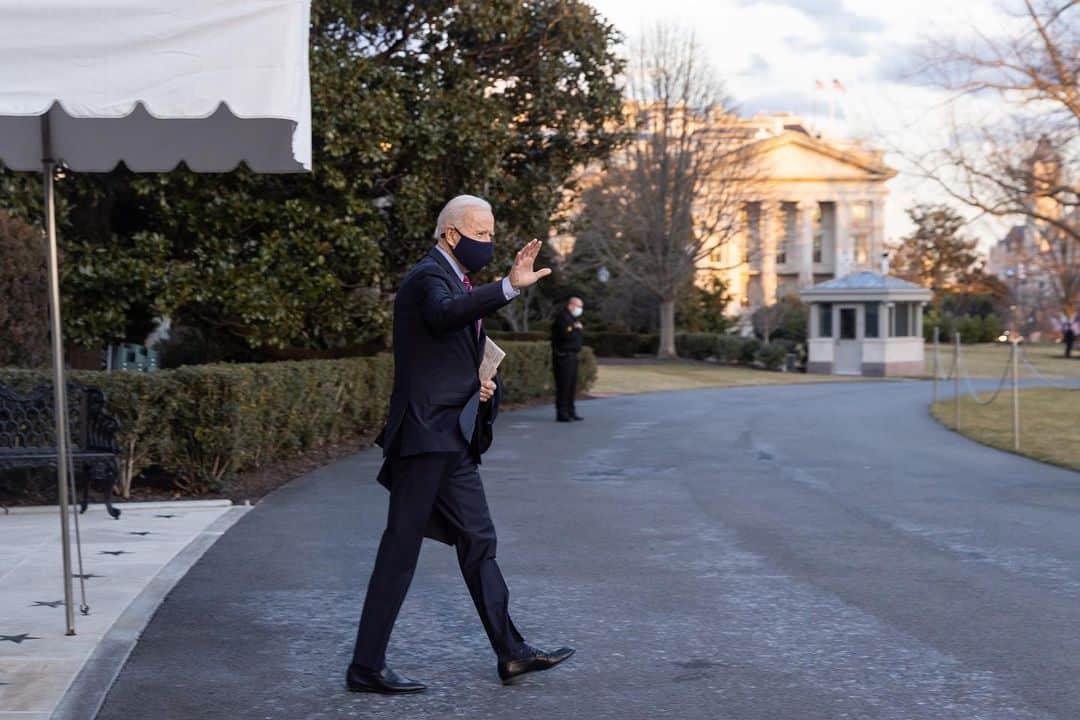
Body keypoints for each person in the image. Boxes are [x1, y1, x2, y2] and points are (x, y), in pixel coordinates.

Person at [347, 195, 575, 694]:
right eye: (480, 233)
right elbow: (445, 315)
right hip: (425, 436)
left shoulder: (457, 279)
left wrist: (481, 385)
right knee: (400, 550)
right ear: (451, 234)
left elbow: (450, 348)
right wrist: (509, 287)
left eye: (493, 233)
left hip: (452, 437)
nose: (489, 242)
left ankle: (511, 652)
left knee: (479, 540)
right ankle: (366, 665)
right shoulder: (428, 277)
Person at [551, 297, 584, 422]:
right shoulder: (563, 317)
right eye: (579, 306)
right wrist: (576, 328)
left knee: (571, 386)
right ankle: (562, 413)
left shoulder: (572, 318)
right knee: (563, 386)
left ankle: (571, 411)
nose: (580, 309)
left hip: (572, 356)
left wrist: (576, 327)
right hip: (563, 356)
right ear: (571, 305)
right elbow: (565, 334)